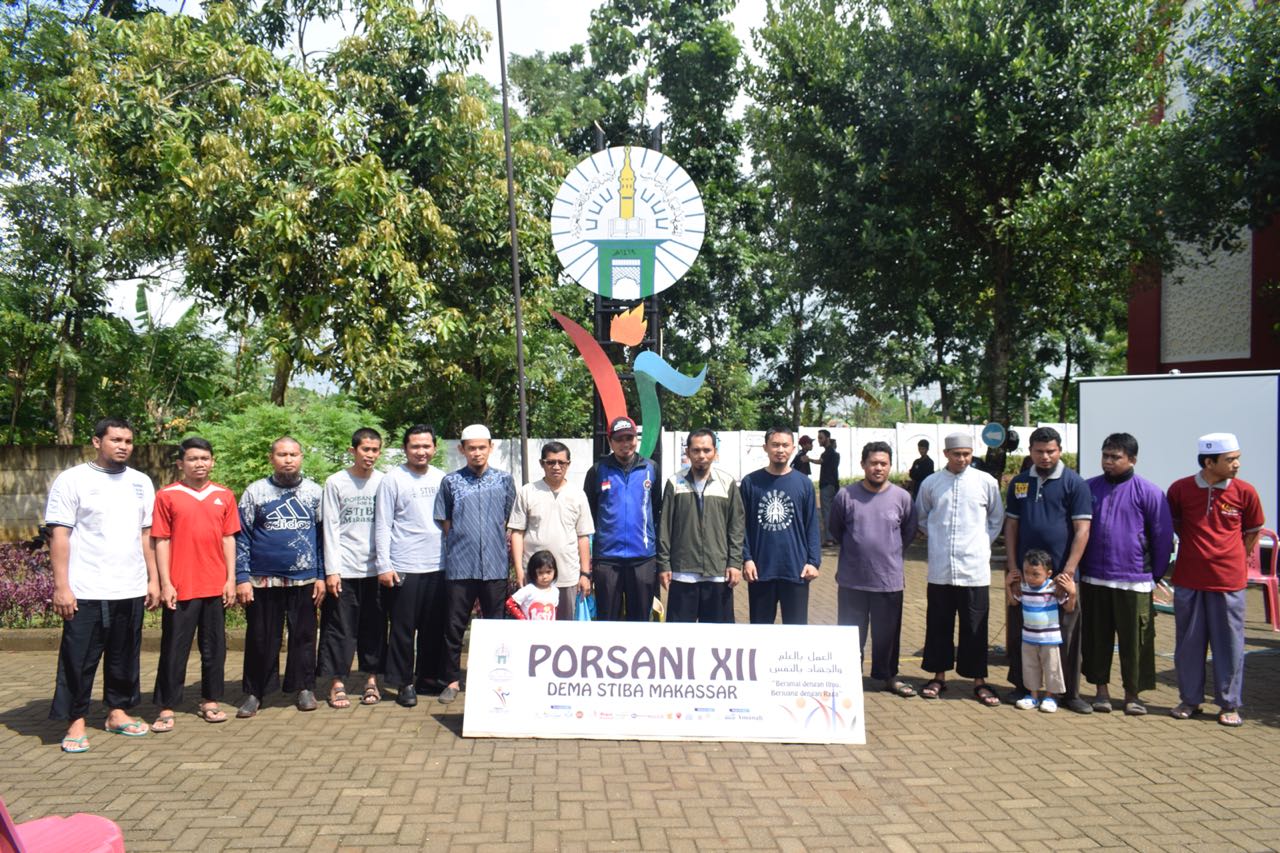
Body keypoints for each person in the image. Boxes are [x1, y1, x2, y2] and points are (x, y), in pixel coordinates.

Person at [46, 417, 159, 752]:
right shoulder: (72, 480)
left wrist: (153, 579)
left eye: (128, 441)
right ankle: (75, 721)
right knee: (78, 658)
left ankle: (117, 712)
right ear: (97, 442)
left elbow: (146, 534)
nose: (123, 446)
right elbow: (59, 535)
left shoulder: (141, 482)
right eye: (116, 440)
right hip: (86, 587)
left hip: (130, 586)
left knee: (124, 656)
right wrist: (61, 586)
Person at [1167, 432, 1265, 727]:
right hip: (1189, 579)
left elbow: (1253, 531)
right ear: (1209, 462)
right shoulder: (1180, 489)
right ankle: (1190, 700)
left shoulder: (1245, 492)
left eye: (1237, 458)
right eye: (1230, 459)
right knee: (1188, 644)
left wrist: (1233, 557)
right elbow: (1176, 524)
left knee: (1229, 645)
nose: (1237, 464)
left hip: (1228, 582)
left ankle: (1228, 704)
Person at [1079, 433, 1173, 716]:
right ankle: (1101, 692)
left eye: (1115, 457)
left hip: (1134, 580)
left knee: (1136, 641)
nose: (1108, 461)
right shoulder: (1088, 489)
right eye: (1105, 455)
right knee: (1096, 638)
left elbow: (1162, 537)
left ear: (1132, 459)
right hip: (1094, 578)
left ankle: (1133, 695)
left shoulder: (1149, 492)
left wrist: (1154, 576)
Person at [150, 437, 240, 732]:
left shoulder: (224, 495)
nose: (199, 464)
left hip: (215, 585)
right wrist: (166, 583)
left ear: (212, 462)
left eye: (204, 458)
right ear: (181, 463)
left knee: (214, 648)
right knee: (174, 648)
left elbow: (229, 538)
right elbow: (161, 540)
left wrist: (230, 579)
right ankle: (166, 706)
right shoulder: (167, 495)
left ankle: (210, 700)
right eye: (192, 459)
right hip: (181, 586)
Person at [1004, 426, 1093, 713]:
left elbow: (1082, 530)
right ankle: (1022, 687)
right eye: (1039, 451)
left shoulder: (1075, 483)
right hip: (1025, 576)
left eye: (1051, 451)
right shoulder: (1019, 483)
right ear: (1030, 451)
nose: (1045, 457)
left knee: (1066, 636)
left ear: (1060, 451)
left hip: (1060, 577)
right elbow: (1011, 526)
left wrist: (1068, 573)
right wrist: (1013, 568)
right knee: (1021, 631)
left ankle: (1069, 694)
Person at [235, 437, 325, 717]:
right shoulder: (255, 492)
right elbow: (242, 537)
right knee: (261, 638)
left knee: (304, 636)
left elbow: (323, 539)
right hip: (263, 580)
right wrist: (242, 577)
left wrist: (321, 575)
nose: (288, 460)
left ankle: (304, 688)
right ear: (271, 458)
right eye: (282, 454)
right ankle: (255, 692)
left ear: (301, 457)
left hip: (305, 579)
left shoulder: (314, 492)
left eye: (293, 454)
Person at [916, 432, 1004, 707]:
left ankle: (978, 680)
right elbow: (922, 517)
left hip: (974, 569)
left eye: (967, 454)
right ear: (946, 454)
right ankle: (938, 677)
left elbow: (996, 518)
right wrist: (939, 540)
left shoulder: (986, 482)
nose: (962, 459)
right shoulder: (931, 483)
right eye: (957, 454)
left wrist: (980, 543)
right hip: (941, 568)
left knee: (975, 626)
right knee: (938, 624)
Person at [827, 441, 918, 697]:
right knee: (850, 634)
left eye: (883, 463)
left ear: (890, 466)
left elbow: (909, 532)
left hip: (888, 580)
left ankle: (888, 676)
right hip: (852, 580)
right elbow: (836, 529)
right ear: (863, 465)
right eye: (873, 463)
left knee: (887, 635)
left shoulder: (902, 497)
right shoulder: (846, 495)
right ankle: (849, 676)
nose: (878, 468)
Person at [435, 424, 516, 705]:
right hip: (460, 566)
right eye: (471, 448)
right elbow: (446, 522)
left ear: (491, 448)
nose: (477, 453)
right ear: (462, 450)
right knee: (454, 626)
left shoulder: (504, 481)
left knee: (496, 626)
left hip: (494, 565)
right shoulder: (450, 482)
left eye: (482, 447)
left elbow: (509, 519)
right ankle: (451, 681)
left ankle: (492, 678)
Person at [375, 425, 446, 708]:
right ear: (405, 448)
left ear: (434, 448)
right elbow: (383, 524)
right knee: (403, 630)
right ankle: (404, 682)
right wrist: (384, 565)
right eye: (415, 446)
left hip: (438, 564)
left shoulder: (442, 478)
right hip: (404, 564)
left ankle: (427, 677)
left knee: (433, 627)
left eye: (426, 446)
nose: (421, 451)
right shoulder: (392, 479)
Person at [318, 428, 385, 710]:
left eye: (375, 450)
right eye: (365, 449)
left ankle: (371, 680)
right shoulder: (336, 482)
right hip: (344, 568)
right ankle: (337, 683)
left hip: (376, 570)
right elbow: (330, 527)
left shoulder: (384, 481)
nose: (370, 455)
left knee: (375, 628)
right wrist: (332, 570)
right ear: (353, 451)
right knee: (339, 629)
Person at [657, 429, 746, 624]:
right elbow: (665, 528)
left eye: (707, 450)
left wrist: (734, 563)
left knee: (718, 636)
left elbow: (736, 527)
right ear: (687, 452)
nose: (701, 456)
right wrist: (664, 564)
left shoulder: (727, 483)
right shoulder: (675, 483)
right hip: (682, 572)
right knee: (680, 637)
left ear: (715, 452)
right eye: (696, 450)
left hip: (718, 573)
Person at [740, 427, 822, 625]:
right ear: (765, 448)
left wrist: (813, 561)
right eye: (775, 445)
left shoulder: (804, 483)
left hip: (796, 570)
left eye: (785, 445)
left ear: (793, 448)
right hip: (760, 570)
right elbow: (741, 526)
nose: (780, 450)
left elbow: (812, 525)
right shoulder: (751, 482)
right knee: (760, 631)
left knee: (795, 632)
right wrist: (746, 559)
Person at [583, 416, 661, 622]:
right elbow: (588, 514)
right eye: (619, 439)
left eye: (629, 438)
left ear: (636, 439)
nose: (625, 443)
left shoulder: (651, 468)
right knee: (607, 619)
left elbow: (656, 509)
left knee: (640, 619)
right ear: (610, 441)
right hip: (607, 558)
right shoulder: (598, 471)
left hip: (643, 557)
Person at [508, 441, 594, 621]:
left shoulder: (578, 495)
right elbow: (517, 533)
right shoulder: (527, 492)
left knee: (565, 629)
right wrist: (519, 571)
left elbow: (583, 536)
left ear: (568, 464)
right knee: (534, 629)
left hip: (568, 576)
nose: (556, 466)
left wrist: (585, 574)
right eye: (551, 462)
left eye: (561, 462)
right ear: (542, 463)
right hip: (535, 577)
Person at [1012, 550, 1077, 713]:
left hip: (1050, 638)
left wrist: (1072, 592)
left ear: (1048, 573)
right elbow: (1013, 602)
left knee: (1052, 668)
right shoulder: (1023, 587)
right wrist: (1007, 585)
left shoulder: (1053, 588)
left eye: (1036, 574)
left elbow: (1069, 608)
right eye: (1026, 572)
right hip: (1028, 637)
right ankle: (1032, 696)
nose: (1030, 577)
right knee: (1030, 667)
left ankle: (1050, 696)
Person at [505, 550, 560, 621]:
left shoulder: (555, 591)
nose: (545, 576)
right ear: (533, 572)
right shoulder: (529, 589)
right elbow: (510, 603)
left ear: (555, 571)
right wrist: (522, 619)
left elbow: (554, 610)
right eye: (540, 573)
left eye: (548, 572)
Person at [815, 429, 841, 546]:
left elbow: (820, 461)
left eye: (821, 438)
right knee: (833, 512)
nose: (819, 440)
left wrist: (808, 459)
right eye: (818, 438)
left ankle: (829, 539)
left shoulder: (827, 453)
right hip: (834, 485)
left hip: (826, 484)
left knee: (826, 512)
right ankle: (835, 537)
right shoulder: (835, 454)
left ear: (828, 439)